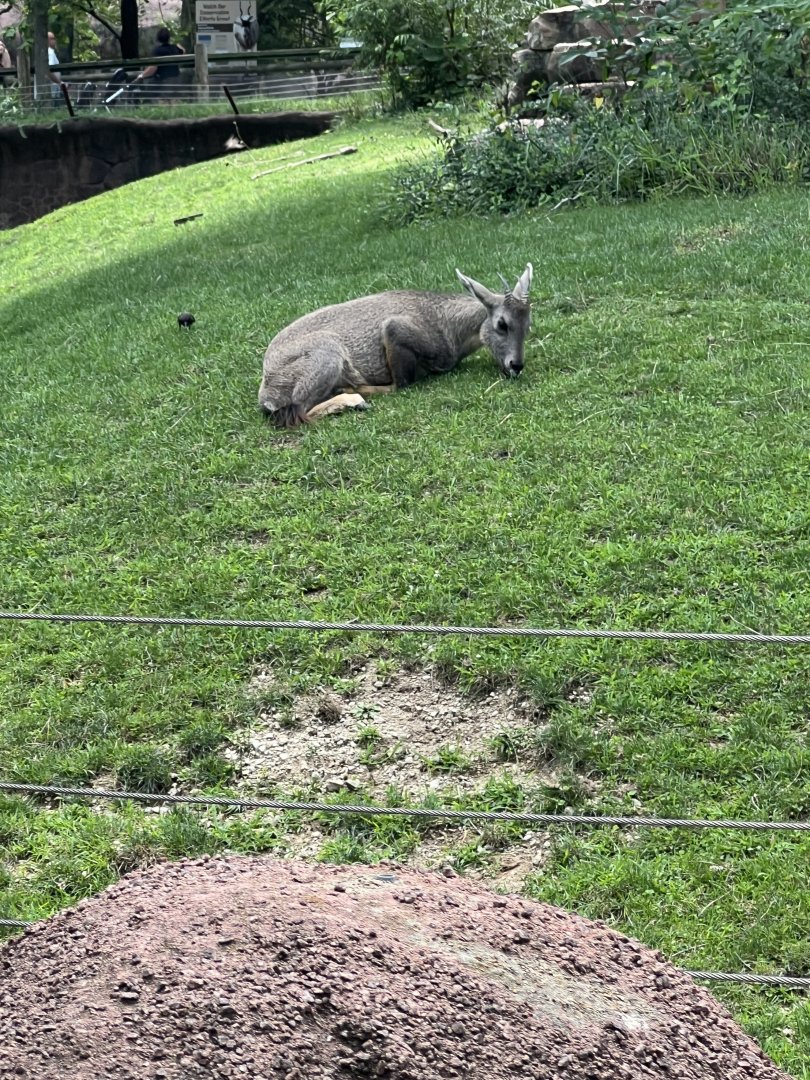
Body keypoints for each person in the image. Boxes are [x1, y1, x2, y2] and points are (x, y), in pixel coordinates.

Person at [133, 27, 184, 99]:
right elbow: (183, 51)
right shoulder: (174, 48)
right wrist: (177, 45)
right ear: (169, 38)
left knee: (161, 100)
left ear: (158, 38)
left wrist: (142, 76)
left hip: (163, 81)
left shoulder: (157, 51)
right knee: (174, 102)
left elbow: (153, 68)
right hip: (176, 79)